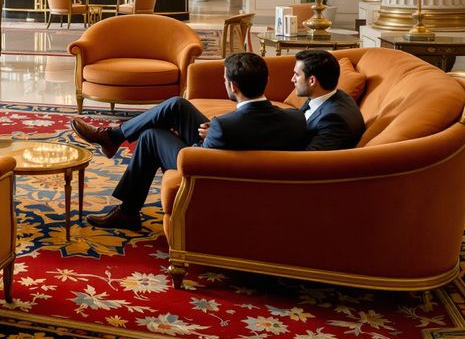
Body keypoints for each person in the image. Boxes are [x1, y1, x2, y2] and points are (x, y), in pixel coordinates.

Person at [72, 52, 309, 230]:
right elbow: (254, 127)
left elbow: (198, 156)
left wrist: (210, 132)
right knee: (177, 105)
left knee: (151, 135)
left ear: (233, 86)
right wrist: (215, 129)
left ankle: (128, 211)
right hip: (235, 145)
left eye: (225, 80)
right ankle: (113, 137)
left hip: (212, 167)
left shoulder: (223, 127)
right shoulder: (295, 118)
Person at [293, 49, 364, 151]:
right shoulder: (335, 95)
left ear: (312, 81)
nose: (293, 79)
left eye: (297, 74)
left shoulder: (334, 120)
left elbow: (309, 160)